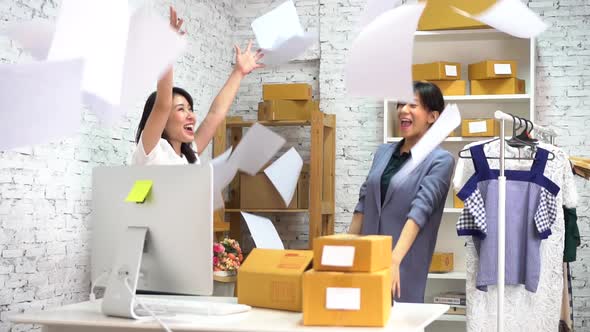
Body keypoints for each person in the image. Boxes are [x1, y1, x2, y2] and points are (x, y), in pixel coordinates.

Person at [348, 81, 455, 303]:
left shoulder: (440, 160)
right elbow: (364, 202)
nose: (403, 110)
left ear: (432, 117)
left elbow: (420, 212)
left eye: (412, 105)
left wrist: (394, 261)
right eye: (400, 104)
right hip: (367, 258)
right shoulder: (383, 152)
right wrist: (346, 246)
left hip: (403, 263)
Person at [132, 6, 264, 166]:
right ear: (162, 120)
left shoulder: (189, 155)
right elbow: (163, 104)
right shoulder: (151, 151)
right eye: (181, 109)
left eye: (190, 109)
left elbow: (215, 114)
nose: (191, 116)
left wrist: (239, 72)